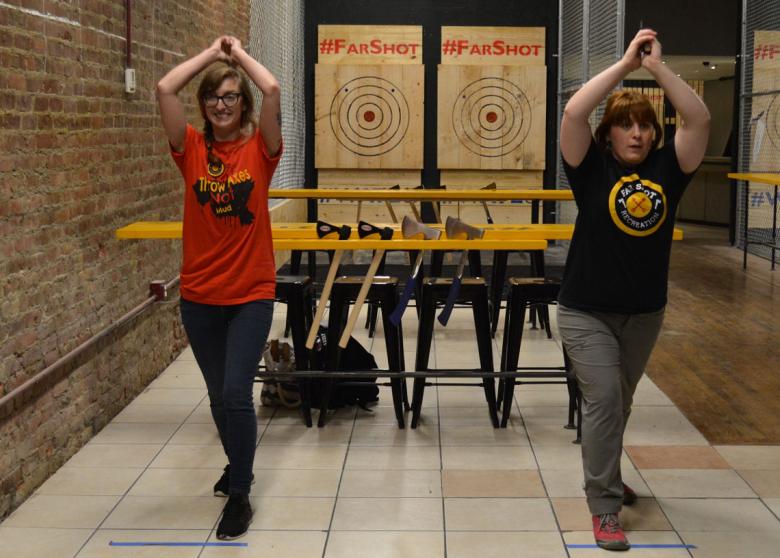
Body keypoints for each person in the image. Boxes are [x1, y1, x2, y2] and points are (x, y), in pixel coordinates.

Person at [558, 28, 710, 551]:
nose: (638, 135)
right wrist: (625, 67)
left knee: (618, 404)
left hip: (644, 312)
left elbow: (700, 119)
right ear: (610, 135)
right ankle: (604, 505)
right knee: (602, 402)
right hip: (585, 310)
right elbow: (575, 113)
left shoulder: (672, 169)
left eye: (645, 126)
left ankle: (608, 470)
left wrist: (660, 70)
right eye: (625, 125)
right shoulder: (590, 169)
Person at [156, 36, 282, 540]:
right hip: (200, 297)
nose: (222, 104)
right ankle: (237, 461)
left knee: (235, 393)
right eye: (214, 97)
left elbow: (271, 87)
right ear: (204, 106)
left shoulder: (261, 150)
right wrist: (210, 55)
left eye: (231, 96)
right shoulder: (190, 148)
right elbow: (165, 88)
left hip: (251, 291)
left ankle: (241, 492)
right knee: (216, 396)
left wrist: (237, 55)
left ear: (242, 104)